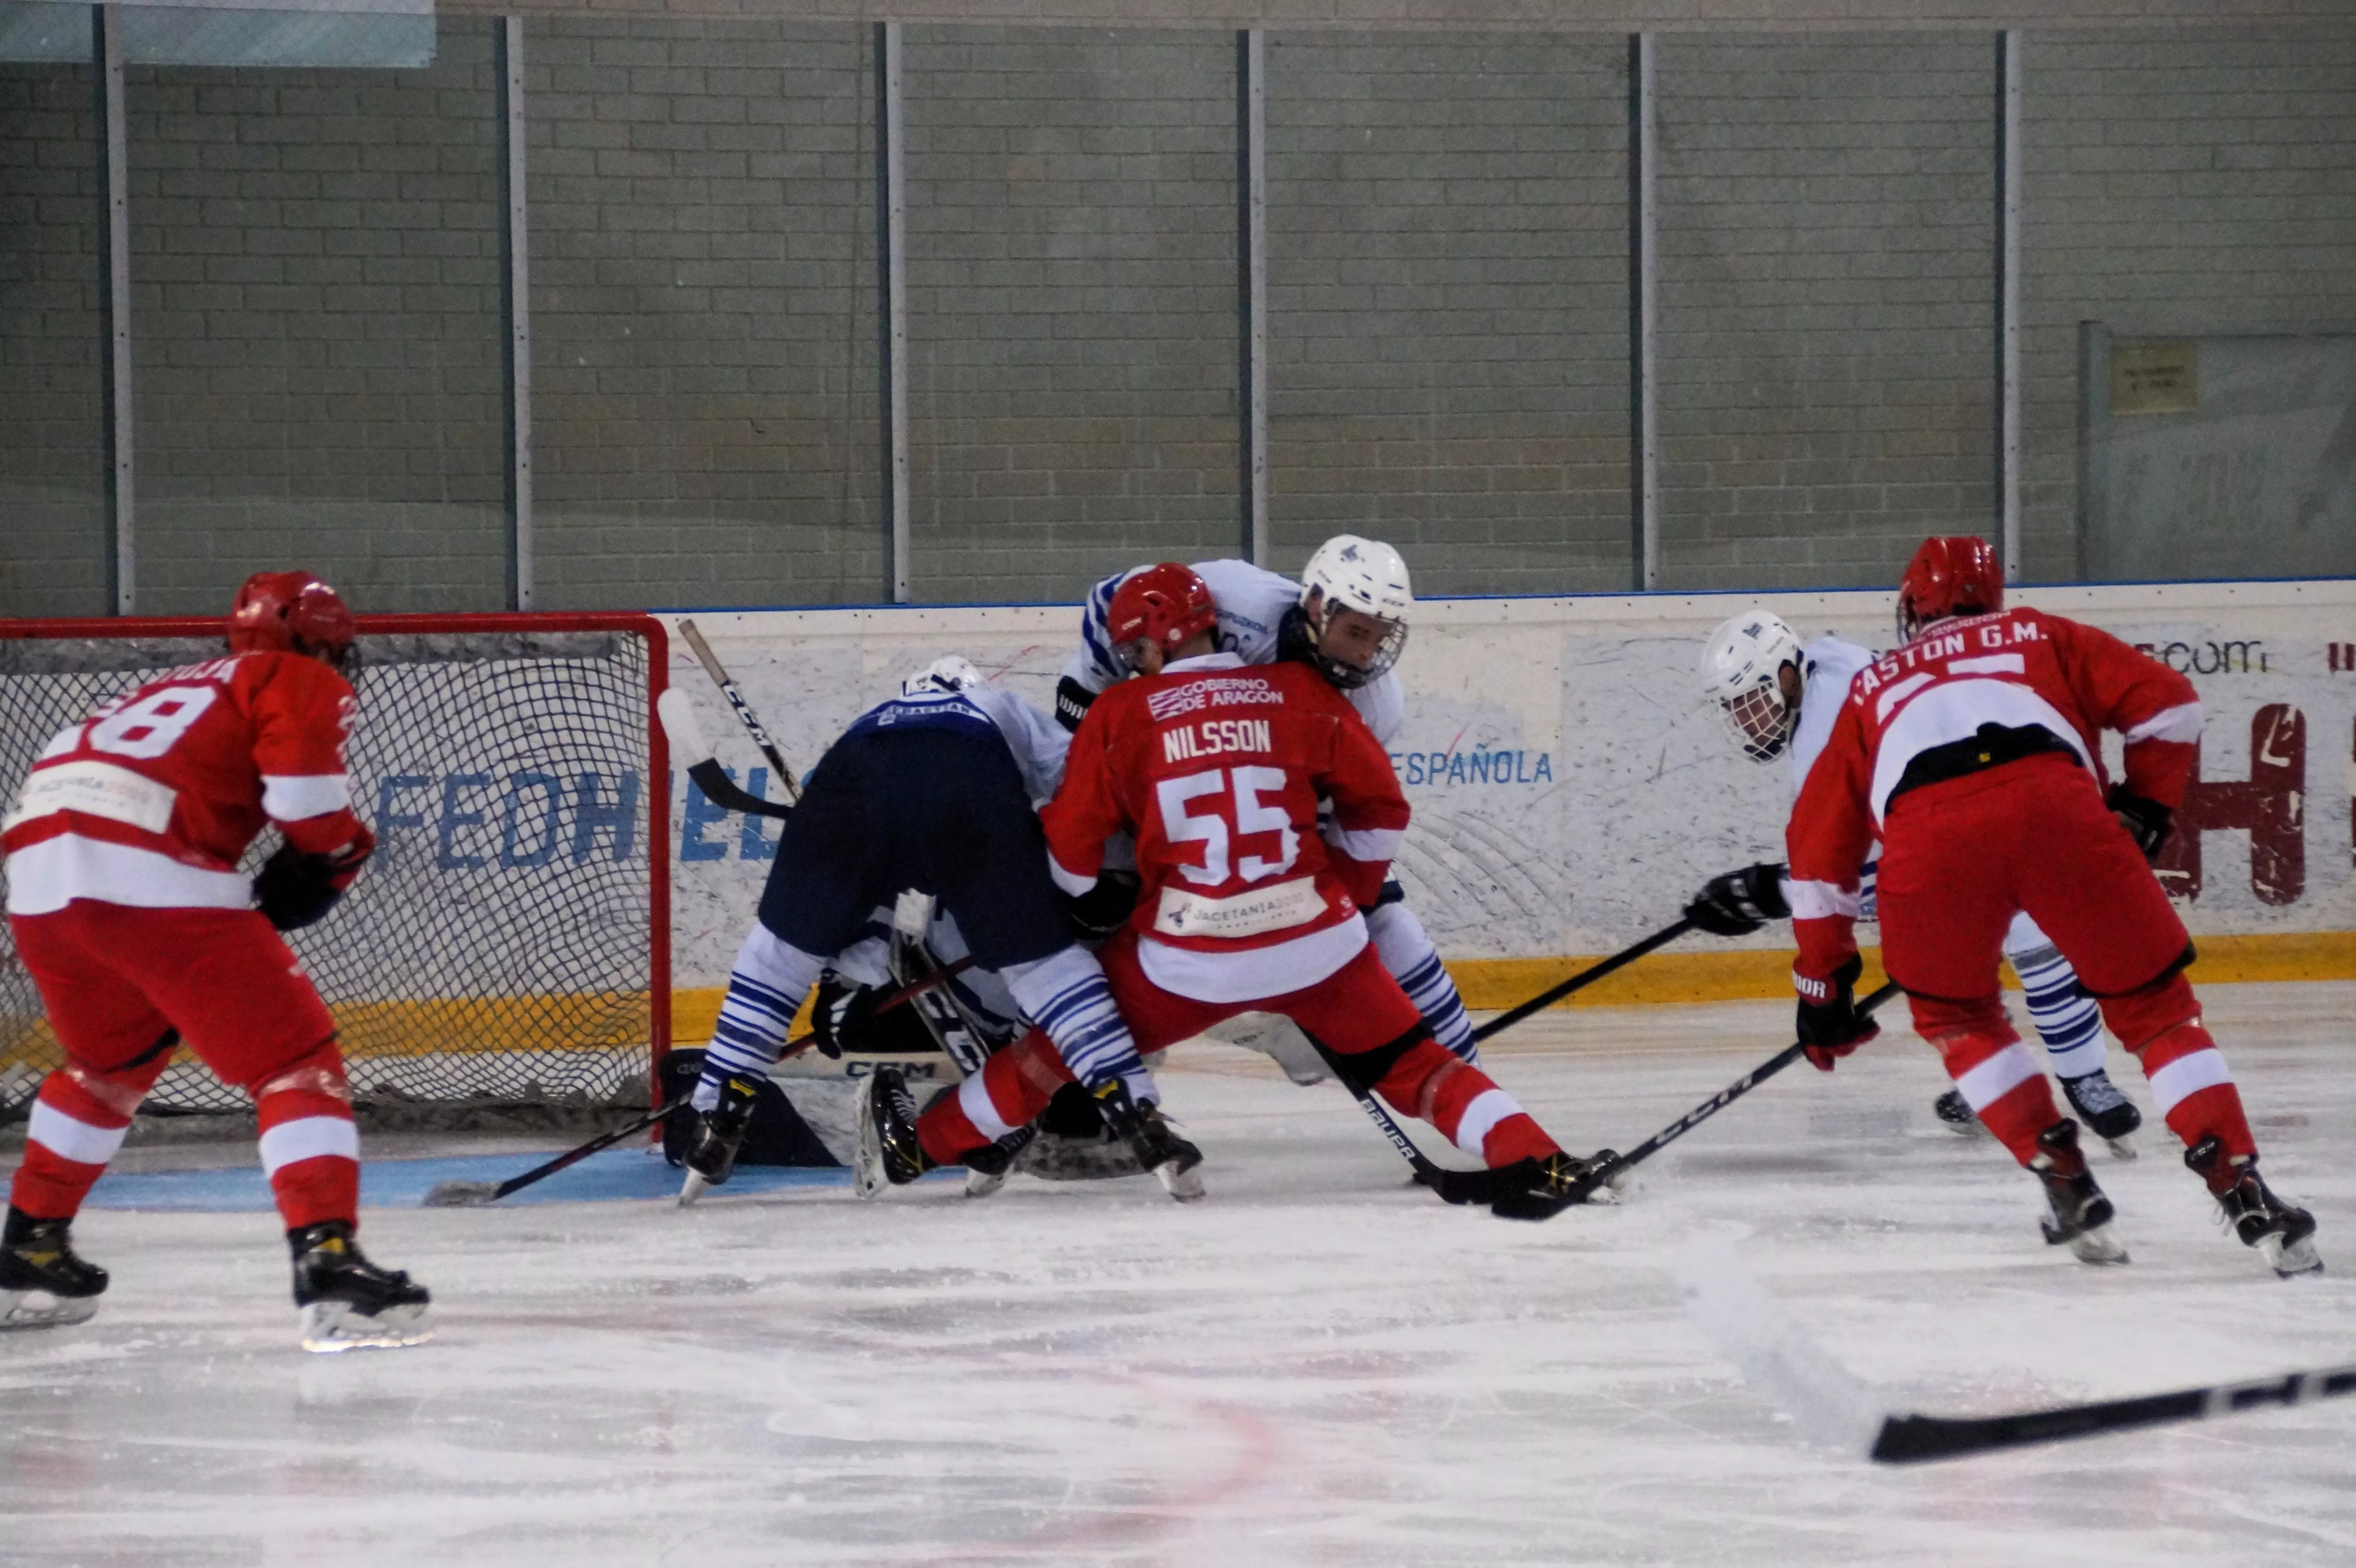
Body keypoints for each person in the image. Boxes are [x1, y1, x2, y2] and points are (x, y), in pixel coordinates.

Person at [859, 564, 1593, 1219]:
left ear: (1151, 642)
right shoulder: (1304, 689)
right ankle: (1544, 1158)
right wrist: (1339, 893)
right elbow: (1380, 811)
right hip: (1322, 947)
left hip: (1184, 958)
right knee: (1422, 1069)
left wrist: (1092, 905)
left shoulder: (1118, 713)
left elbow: (1073, 856)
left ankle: (919, 1147)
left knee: (1057, 1050)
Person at [1774, 537, 2318, 1273]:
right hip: (2059, 809)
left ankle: (2062, 1173)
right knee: (2158, 1012)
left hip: (1928, 839)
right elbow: (2171, 707)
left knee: (1959, 1019)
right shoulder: (2041, 633)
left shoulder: (1873, 688)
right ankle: (2242, 1183)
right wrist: (2147, 808)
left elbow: (1817, 856)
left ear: (1910, 610)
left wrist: (1823, 985)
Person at [0, 570, 432, 1350]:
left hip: (37, 885)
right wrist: (336, 855)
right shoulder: (292, 674)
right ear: (315, 640)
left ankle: (30, 1245)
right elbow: (305, 805)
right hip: (142, 875)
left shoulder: (151, 691)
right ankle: (328, 1259)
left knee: (105, 1066)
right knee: (294, 1061)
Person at [677, 656, 1154, 1203]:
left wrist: (843, 975)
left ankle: (720, 1106)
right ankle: (1041, 1106)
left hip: (875, 835)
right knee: (1037, 972)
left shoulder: (871, 728)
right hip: (988, 902)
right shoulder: (1001, 712)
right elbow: (1083, 782)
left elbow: (858, 895)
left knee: (775, 960)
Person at [1689, 608, 2142, 1156]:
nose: (1745, 719)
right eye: (1733, 707)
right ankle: (2000, 1079)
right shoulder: (1830, 664)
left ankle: (2081, 1075)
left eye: (1750, 698)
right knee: (1954, 950)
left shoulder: (1820, 732)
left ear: (1786, 674)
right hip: (1959, 801)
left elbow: (1842, 880)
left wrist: (1767, 894)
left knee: (2029, 937)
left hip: (1983, 791)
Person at [1054, 537, 1481, 1075]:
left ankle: (1457, 1064)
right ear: (1316, 604)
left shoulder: (1375, 703)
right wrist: (1094, 705)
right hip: (1143, 751)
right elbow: (1115, 601)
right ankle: (1109, 1073)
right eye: (1355, 632)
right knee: (1095, 893)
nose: (1365, 653)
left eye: (1379, 638)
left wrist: (1323, 932)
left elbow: (1335, 819)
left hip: (1237, 806)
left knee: (1381, 917)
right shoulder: (1234, 594)